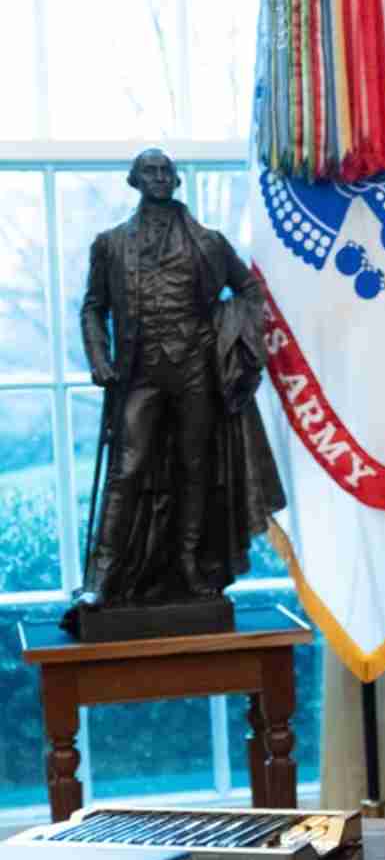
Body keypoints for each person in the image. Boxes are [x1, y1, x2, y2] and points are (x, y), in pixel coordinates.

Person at [63, 148, 284, 629]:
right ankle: (101, 577)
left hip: (194, 371)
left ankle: (189, 564)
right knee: (127, 469)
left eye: (166, 172)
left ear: (177, 180)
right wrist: (100, 360)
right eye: (151, 172)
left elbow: (248, 290)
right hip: (138, 373)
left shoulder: (208, 243)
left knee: (195, 467)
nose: (160, 179)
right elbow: (92, 307)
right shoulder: (110, 244)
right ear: (135, 180)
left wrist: (232, 334)